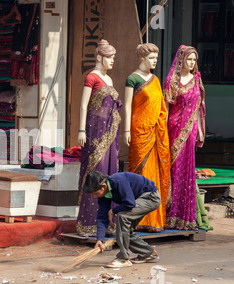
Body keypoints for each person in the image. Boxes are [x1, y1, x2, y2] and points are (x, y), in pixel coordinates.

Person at [75, 39, 122, 237]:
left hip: (110, 134)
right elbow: (84, 105)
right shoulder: (92, 77)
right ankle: (88, 222)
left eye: (113, 57)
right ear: (99, 57)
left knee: (109, 174)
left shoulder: (109, 79)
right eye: (109, 57)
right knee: (96, 173)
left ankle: (106, 222)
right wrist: (81, 130)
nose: (112, 61)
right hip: (94, 133)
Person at [122, 43, 170, 232]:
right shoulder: (132, 79)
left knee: (153, 176)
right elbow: (127, 106)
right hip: (138, 131)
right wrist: (126, 131)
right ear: (142, 58)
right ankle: (136, 219)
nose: (155, 61)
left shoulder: (156, 80)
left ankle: (153, 220)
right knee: (139, 175)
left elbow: (160, 108)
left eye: (156, 58)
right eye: (152, 58)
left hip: (155, 133)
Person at [163, 45, 207, 230]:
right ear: (180, 59)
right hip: (174, 128)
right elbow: (166, 108)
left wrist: (200, 129)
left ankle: (185, 217)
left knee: (188, 170)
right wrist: (162, 131)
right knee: (174, 169)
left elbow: (200, 105)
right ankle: (170, 215)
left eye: (194, 60)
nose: (191, 63)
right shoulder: (172, 80)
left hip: (190, 129)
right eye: (189, 59)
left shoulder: (197, 79)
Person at [84, 171, 160, 268]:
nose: (95, 196)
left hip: (150, 197)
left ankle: (123, 259)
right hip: (138, 200)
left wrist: (113, 211)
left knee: (122, 216)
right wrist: (100, 239)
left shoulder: (118, 180)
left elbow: (130, 203)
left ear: (103, 185)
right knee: (126, 230)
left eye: (96, 193)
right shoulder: (103, 194)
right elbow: (102, 216)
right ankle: (148, 253)